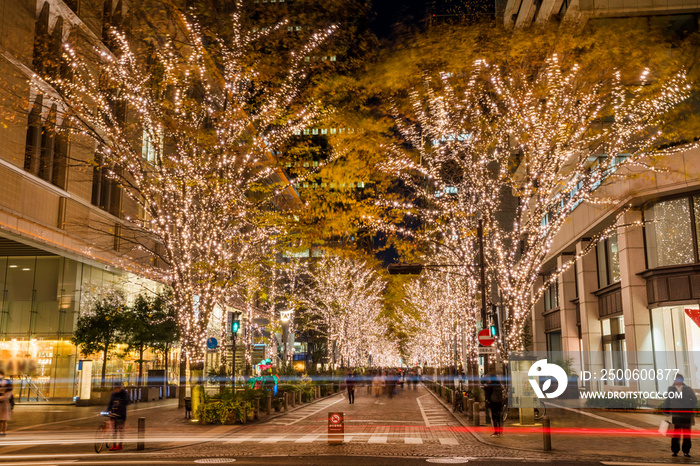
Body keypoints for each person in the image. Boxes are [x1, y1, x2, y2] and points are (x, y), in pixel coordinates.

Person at [662, 374, 697, 457]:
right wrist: (666, 410)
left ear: (681, 381)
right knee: (675, 434)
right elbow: (668, 400)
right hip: (676, 415)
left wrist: (689, 406)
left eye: (678, 380)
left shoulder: (688, 389)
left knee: (686, 435)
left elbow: (695, 400)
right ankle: (675, 451)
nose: (676, 382)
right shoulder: (671, 389)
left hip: (687, 415)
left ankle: (686, 451)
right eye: (675, 380)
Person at [106, 381, 131, 451]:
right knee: (114, 430)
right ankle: (114, 445)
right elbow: (110, 403)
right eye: (115, 388)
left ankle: (120, 445)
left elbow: (128, 401)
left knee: (120, 430)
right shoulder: (113, 394)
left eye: (118, 388)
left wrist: (121, 402)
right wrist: (108, 411)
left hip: (121, 414)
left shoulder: (124, 393)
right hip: (113, 414)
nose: (116, 389)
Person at [482, 371, 504, 437]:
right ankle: (500, 431)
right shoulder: (498, 384)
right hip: (499, 402)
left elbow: (484, 386)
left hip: (493, 403)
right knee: (499, 417)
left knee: (494, 417)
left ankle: (496, 432)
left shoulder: (490, 386)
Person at [0, 371, 11, 436]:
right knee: (1, 420)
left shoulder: (8, 390)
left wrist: (1, 397)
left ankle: (4, 432)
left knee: (3, 420)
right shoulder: (1, 388)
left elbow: (7, 396)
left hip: (5, 406)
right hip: (1, 405)